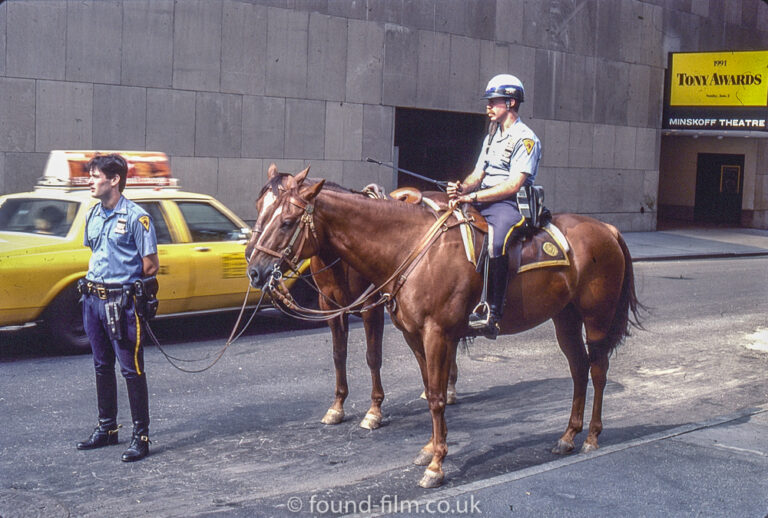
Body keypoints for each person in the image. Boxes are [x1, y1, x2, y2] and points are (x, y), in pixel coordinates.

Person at [76, 153, 159, 462]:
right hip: (93, 301)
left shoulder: (138, 218)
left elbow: (150, 265)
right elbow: (95, 251)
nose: (90, 180)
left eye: (95, 176)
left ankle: (141, 436)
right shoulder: (92, 214)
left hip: (121, 304)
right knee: (101, 365)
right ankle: (107, 428)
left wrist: (125, 288)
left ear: (114, 180)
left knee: (131, 369)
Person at [448, 74, 542, 339]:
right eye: (488, 102)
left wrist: (473, 198)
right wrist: (463, 188)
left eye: (494, 101)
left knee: (495, 242)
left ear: (511, 102)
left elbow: (513, 185)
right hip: (483, 199)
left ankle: (493, 312)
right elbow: (478, 174)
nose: (488, 106)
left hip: (508, 205)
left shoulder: (525, 139)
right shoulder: (491, 137)